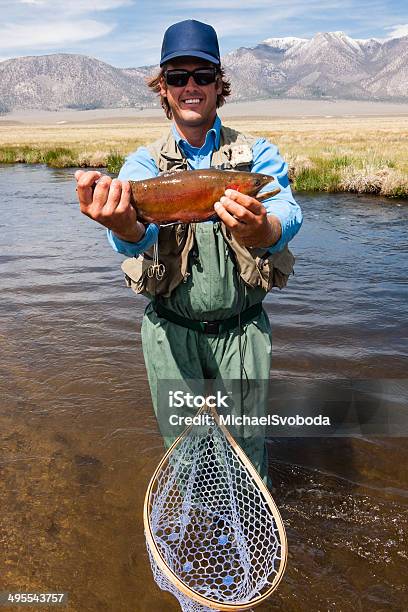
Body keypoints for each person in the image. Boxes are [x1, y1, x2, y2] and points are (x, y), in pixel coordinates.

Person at [75, 19, 302, 484]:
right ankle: (196, 519)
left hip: (243, 330)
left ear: (221, 85)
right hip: (169, 331)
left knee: (248, 441)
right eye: (178, 78)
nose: (191, 87)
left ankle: (245, 515)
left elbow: (288, 212)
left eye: (203, 75)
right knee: (182, 442)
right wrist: (124, 226)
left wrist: (264, 230)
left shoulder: (257, 154)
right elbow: (127, 238)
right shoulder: (141, 164)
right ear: (164, 89)